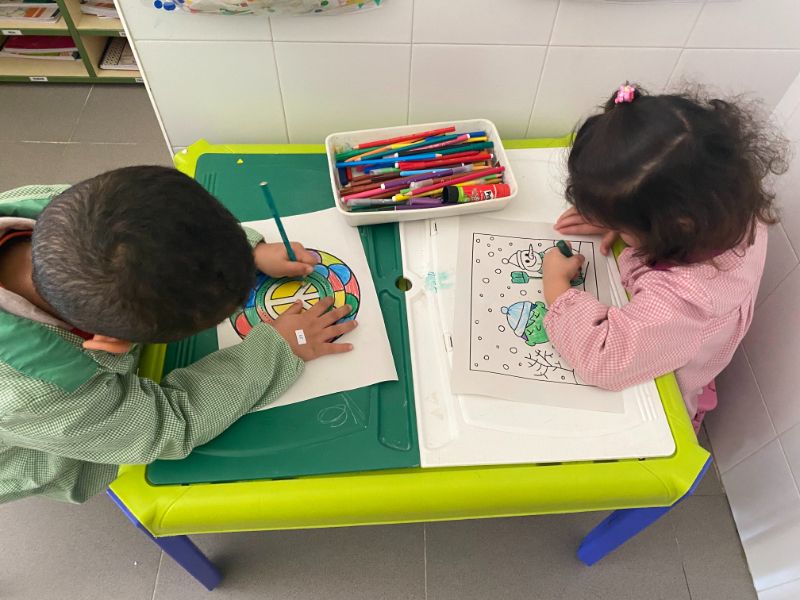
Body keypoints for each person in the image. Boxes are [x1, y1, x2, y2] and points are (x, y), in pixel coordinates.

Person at [0, 166, 356, 504]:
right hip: (47, 446)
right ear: (109, 343)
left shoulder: (69, 211)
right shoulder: (36, 394)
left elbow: (159, 231)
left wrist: (245, 253)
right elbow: (165, 426)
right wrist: (279, 348)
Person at [543, 84, 788, 431]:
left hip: (668, 394)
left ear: (670, 228)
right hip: (689, 339)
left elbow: (603, 359)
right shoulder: (730, 202)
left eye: (623, 225)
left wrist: (557, 287)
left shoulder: (685, 298)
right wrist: (620, 214)